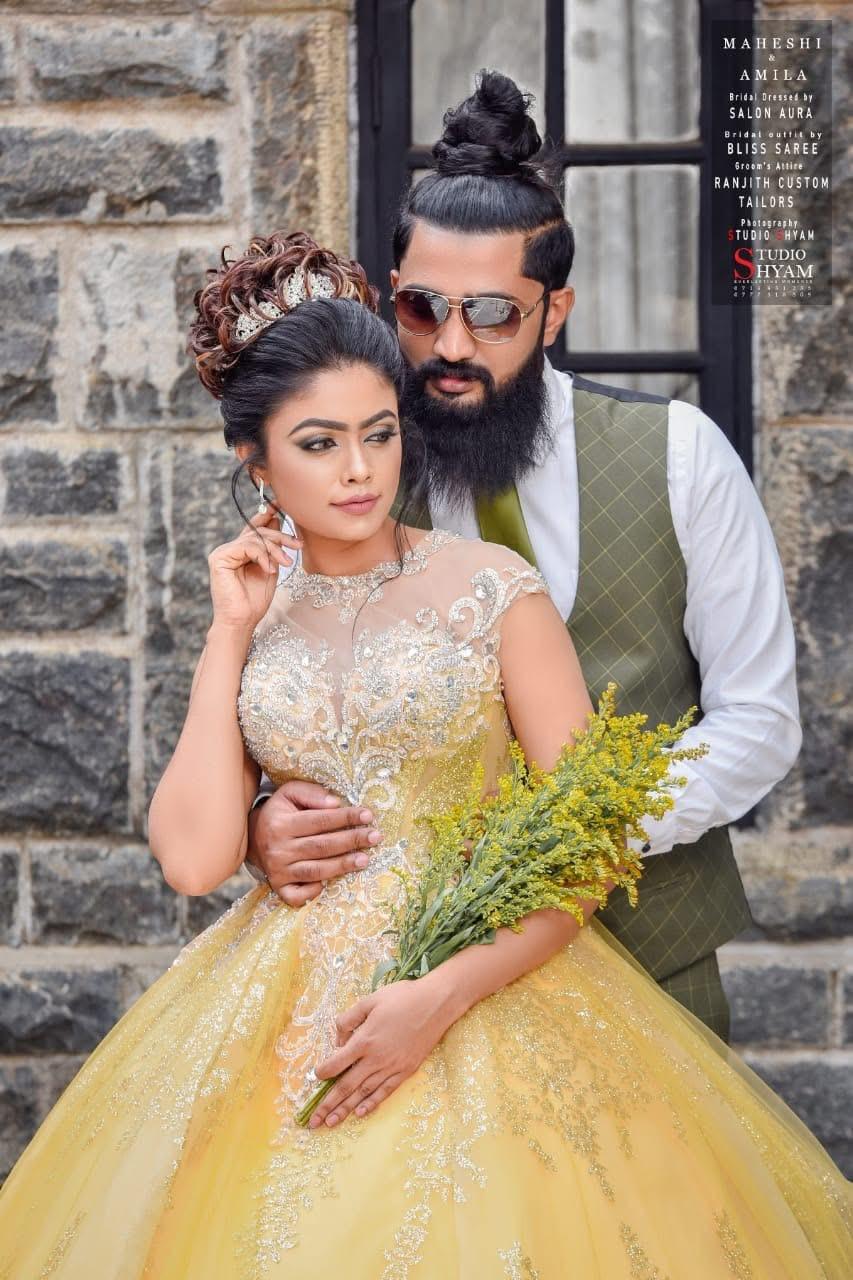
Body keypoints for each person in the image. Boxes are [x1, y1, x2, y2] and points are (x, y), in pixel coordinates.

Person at [0, 231, 849, 1279]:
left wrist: (437, 997)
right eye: (318, 443)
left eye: (379, 433)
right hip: (281, 1004)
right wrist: (227, 633)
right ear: (253, 459)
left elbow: (583, 846)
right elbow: (191, 857)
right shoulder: (254, 611)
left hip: (483, 989)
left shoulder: (493, 588)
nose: (360, 470)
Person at [245, 72, 801, 1043]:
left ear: (556, 309)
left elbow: (757, 718)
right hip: (398, 991)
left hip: (653, 966)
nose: (451, 344)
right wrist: (262, 825)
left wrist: (569, 836)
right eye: (421, 307)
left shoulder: (680, 456)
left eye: (494, 313)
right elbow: (276, 692)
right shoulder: (340, 475)